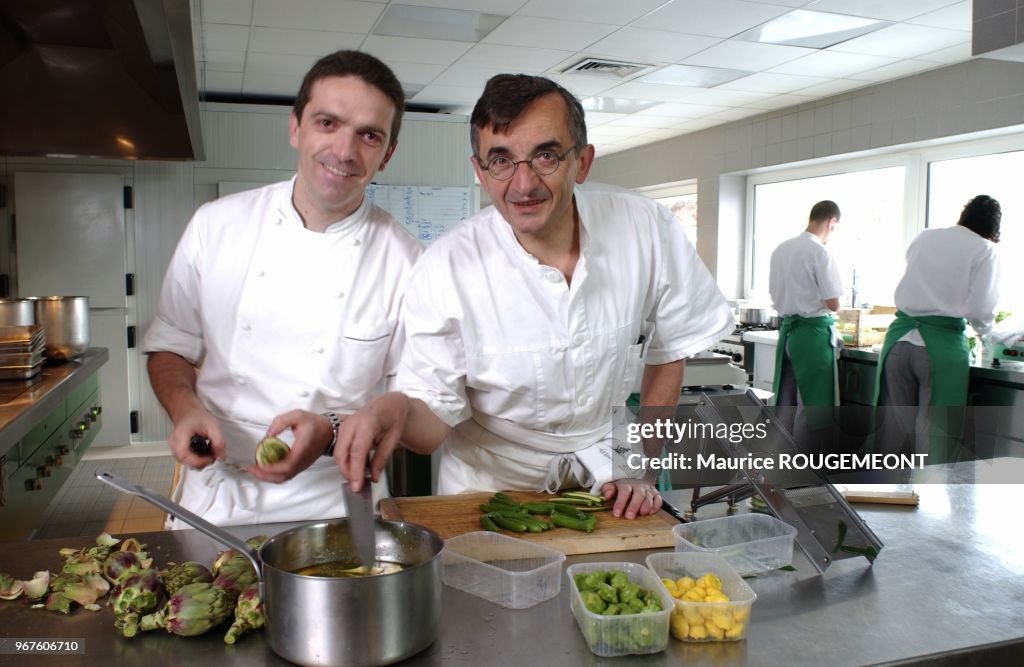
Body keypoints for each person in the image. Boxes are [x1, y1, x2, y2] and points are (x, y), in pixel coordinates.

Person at [334, 74, 733, 520]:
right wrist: (392, 409)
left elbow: (668, 352)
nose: (523, 185)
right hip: (487, 488)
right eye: (501, 161)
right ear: (480, 172)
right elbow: (430, 424)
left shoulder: (645, 227)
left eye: (545, 156)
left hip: (607, 473)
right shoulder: (445, 267)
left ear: (581, 162)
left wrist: (632, 465)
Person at [142, 50, 421, 527]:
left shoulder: (409, 262)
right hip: (217, 494)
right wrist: (186, 409)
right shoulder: (217, 226)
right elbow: (170, 348)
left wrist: (338, 433)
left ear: (387, 154)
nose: (345, 151)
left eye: (369, 135)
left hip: (336, 500)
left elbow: (412, 400)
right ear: (296, 128)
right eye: (327, 123)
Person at [874, 195, 1001, 462]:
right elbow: (980, 309)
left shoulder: (925, 236)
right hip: (939, 349)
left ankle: (888, 497)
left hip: (897, 341)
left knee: (897, 431)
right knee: (933, 432)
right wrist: (989, 334)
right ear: (992, 227)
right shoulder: (984, 248)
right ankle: (926, 498)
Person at [768, 200, 844, 442]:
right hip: (813, 335)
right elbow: (834, 304)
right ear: (831, 221)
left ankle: (779, 469)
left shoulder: (781, 249)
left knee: (785, 404)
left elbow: (775, 293)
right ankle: (807, 469)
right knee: (813, 407)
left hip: (788, 334)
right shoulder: (819, 252)